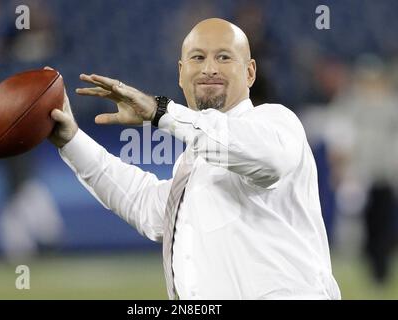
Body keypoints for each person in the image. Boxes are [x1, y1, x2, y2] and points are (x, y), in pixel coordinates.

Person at [48, 18, 341, 300]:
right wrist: (71, 141)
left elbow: (262, 156)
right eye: (198, 58)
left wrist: (160, 111)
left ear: (250, 72)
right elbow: (147, 206)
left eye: (224, 57)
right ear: (180, 72)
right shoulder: (194, 161)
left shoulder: (276, 121)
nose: (209, 68)